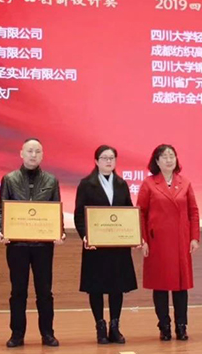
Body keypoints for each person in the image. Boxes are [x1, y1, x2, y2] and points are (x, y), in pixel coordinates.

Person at [0, 138, 64, 348]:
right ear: (21, 153)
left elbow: (56, 210)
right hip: (17, 246)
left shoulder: (51, 180)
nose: (33, 155)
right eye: (29, 151)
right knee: (18, 292)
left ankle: (48, 333)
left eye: (37, 151)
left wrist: (59, 231)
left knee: (45, 292)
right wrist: (1, 230)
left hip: (43, 246)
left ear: (42, 155)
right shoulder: (9, 179)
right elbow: (1, 211)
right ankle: (17, 334)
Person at [73, 145, 138, 344]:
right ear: (96, 161)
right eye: (104, 158)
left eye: (112, 158)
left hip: (118, 245)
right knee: (96, 287)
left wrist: (133, 235)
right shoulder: (86, 184)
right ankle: (100, 327)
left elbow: (129, 212)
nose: (109, 161)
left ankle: (115, 327)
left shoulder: (121, 184)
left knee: (117, 287)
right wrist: (85, 236)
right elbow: (79, 215)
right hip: (95, 246)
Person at [137, 144, 200, 342]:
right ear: (156, 161)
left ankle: (182, 326)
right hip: (158, 242)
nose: (169, 159)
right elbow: (140, 213)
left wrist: (194, 237)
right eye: (164, 156)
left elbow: (193, 211)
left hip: (181, 241)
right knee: (161, 285)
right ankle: (164, 326)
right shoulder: (149, 183)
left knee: (181, 287)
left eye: (172, 155)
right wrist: (143, 239)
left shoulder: (185, 182)